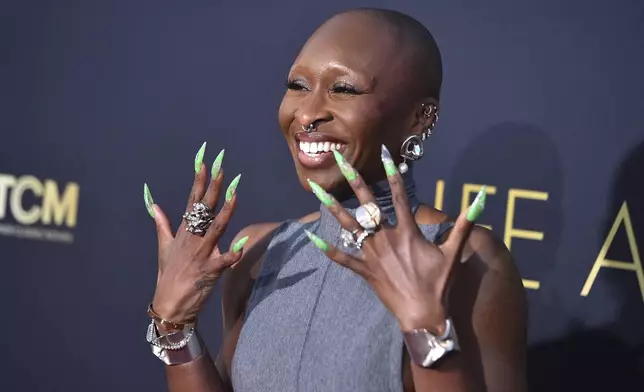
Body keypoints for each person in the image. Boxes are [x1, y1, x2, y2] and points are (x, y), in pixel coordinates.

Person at [142, 8, 527, 392]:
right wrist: (175, 330)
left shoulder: (466, 259)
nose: (307, 113)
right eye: (297, 85)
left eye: (343, 89)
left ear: (419, 118)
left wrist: (426, 331)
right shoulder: (262, 252)